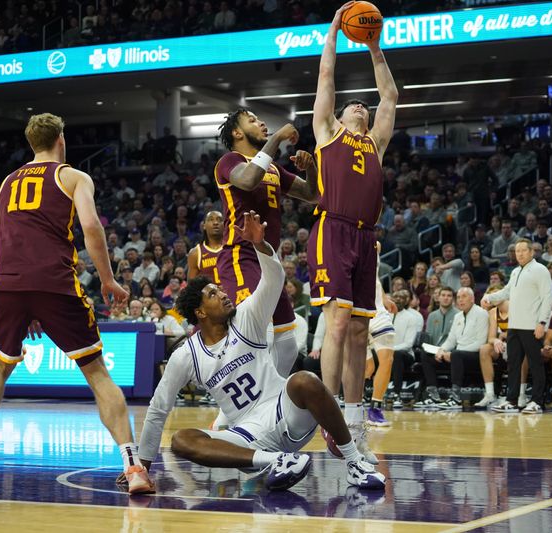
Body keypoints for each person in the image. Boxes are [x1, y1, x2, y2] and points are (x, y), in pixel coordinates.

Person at [0, 114, 154, 495]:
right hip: (54, 282)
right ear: (61, 140)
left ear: (31, 143)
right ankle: (133, 466)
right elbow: (91, 227)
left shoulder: (6, 182)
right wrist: (107, 278)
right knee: (97, 374)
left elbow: (0, 238)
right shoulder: (73, 177)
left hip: (9, 284)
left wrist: (21, 299)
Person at [135, 211, 384, 491]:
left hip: (286, 411)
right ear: (200, 311)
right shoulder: (186, 355)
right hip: (247, 436)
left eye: (220, 289)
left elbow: (273, 279)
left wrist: (260, 246)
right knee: (182, 440)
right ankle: (276, 461)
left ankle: (354, 463)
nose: (223, 293)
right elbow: (158, 409)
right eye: (213, 294)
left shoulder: (245, 318)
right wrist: (141, 467)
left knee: (304, 379)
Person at [309, 1, 398, 461]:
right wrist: (332, 33)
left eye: (363, 105)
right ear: (341, 116)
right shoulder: (327, 133)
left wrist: (374, 48)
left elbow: (390, 97)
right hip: (333, 230)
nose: (361, 105)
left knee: (361, 333)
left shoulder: (376, 142)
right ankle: (327, 415)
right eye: (353, 105)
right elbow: (326, 79)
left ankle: (356, 423)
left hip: (368, 237)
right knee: (338, 323)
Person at [215, 109, 318, 379]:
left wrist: (312, 168)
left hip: (269, 261)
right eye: (252, 120)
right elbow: (248, 180)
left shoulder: (272, 168)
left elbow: (312, 194)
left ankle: (273, 400)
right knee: (258, 332)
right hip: (241, 255)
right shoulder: (230, 161)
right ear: (237, 133)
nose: (261, 122)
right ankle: (233, 411)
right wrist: (278, 139)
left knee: (287, 339)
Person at [482, 239, 552, 414]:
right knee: (513, 364)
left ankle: (536, 401)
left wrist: (542, 323)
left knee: (535, 364)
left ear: (531, 252)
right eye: (517, 251)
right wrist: (489, 298)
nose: (519, 254)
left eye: (523, 250)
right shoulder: (515, 272)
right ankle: (512, 401)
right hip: (514, 326)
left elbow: (547, 297)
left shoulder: (540, 270)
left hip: (531, 327)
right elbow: (506, 292)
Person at [427, 287, 489, 410]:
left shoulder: (481, 313)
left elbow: (481, 343)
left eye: (464, 297)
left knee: (456, 355)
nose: (460, 300)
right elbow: (451, 340)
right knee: (427, 355)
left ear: (472, 299)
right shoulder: (458, 316)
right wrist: (442, 350)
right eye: (459, 297)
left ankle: (455, 397)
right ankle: (433, 395)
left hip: (475, 357)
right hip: (457, 356)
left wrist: (456, 352)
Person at [363, 245, 396, 427]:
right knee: (367, 368)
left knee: (387, 359)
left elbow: (374, 276)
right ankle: (353, 406)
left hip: (377, 311)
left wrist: (383, 297)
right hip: (355, 310)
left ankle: (375, 409)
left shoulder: (374, 245)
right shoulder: (341, 241)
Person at [187, 210, 224, 283]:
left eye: (219, 220)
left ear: (225, 225)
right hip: (210, 294)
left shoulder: (233, 248)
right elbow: (191, 286)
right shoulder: (195, 253)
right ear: (204, 226)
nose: (216, 223)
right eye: (211, 220)